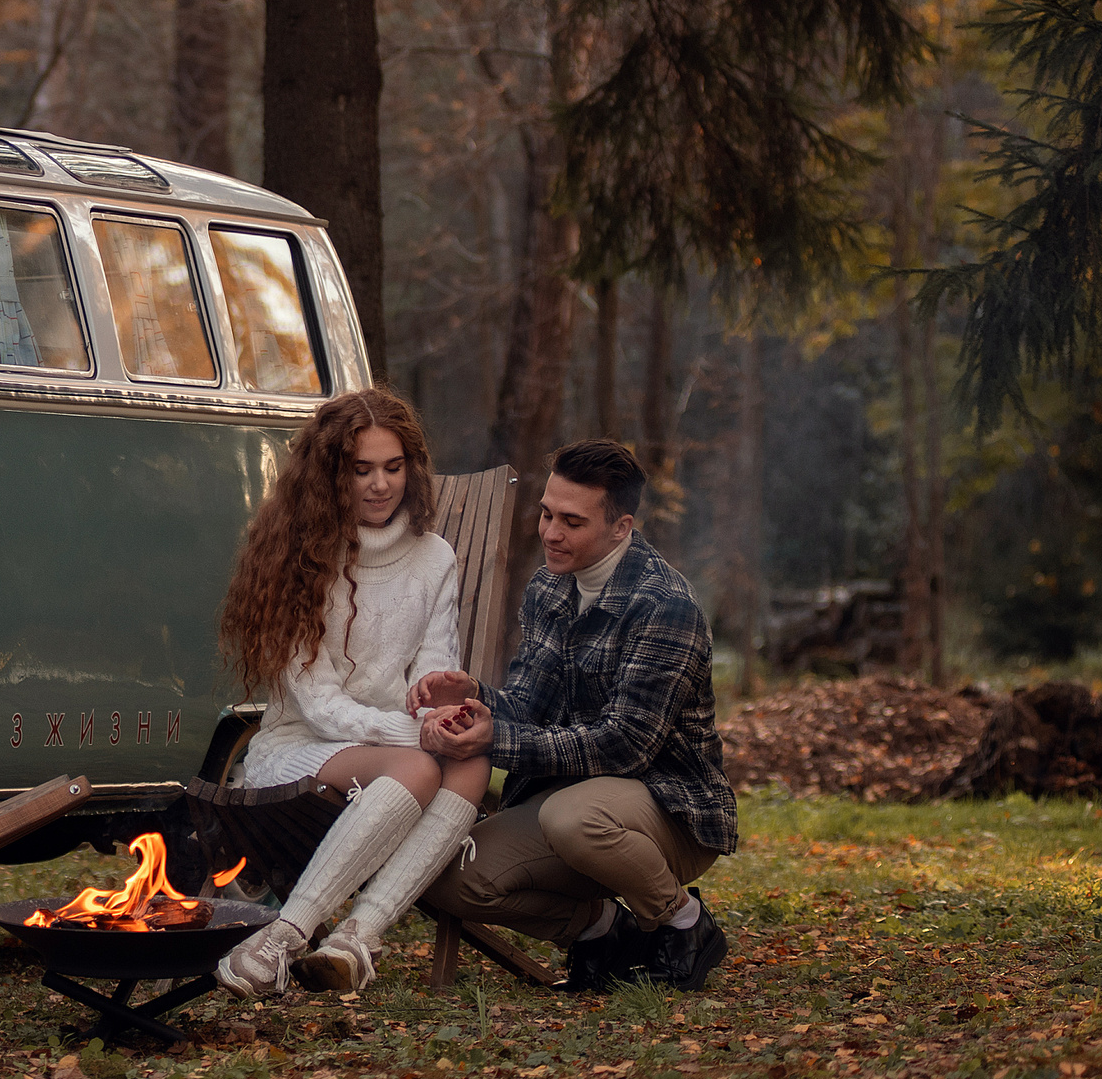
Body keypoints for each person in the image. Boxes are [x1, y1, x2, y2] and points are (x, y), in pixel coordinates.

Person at [410, 438, 736, 990]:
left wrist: (498, 742)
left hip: (668, 810)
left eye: (572, 521)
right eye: (546, 513)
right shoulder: (551, 586)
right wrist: (475, 697)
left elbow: (625, 745)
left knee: (574, 819)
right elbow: (529, 707)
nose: (550, 533)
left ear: (621, 526)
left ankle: (683, 922)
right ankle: (604, 932)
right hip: (570, 801)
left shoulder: (665, 606)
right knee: (445, 876)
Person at [211, 388, 491, 996]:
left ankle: (356, 939)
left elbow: (434, 671)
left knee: (470, 761)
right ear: (332, 472)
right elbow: (317, 704)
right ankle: (282, 938)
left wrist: (441, 709)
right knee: (421, 765)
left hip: (398, 751)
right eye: (361, 469)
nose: (380, 484)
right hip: (301, 746)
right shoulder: (300, 556)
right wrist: (413, 735)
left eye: (393, 468)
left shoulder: (434, 557)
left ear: (411, 469)